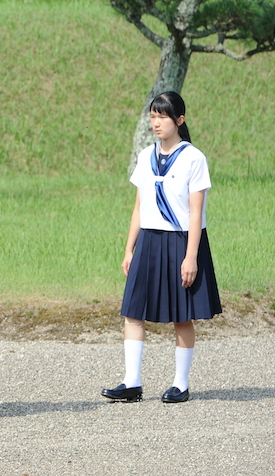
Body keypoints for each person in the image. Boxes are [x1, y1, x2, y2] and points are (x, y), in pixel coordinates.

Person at [101, 91, 221, 404]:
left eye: (163, 116)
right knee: (133, 311)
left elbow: (196, 212)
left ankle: (180, 384)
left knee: (182, 316)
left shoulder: (194, 158)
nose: (156, 122)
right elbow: (139, 207)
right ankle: (131, 382)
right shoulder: (145, 155)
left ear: (179, 120)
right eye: (153, 116)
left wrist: (190, 257)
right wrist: (129, 249)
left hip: (181, 242)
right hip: (149, 241)